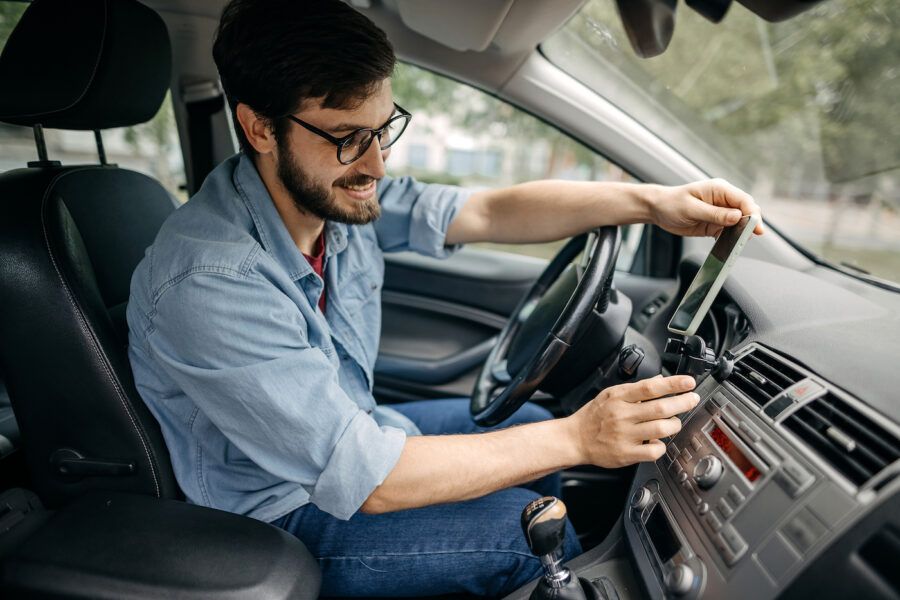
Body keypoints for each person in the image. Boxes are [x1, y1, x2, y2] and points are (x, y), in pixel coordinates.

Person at [126, 0, 764, 595]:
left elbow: (486, 211)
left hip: (357, 433)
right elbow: (367, 477)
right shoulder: (211, 280)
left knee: (532, 435)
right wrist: (583, 436)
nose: (375, 165)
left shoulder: (334, 199)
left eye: (385, 129)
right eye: (349, 137)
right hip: (281, 513)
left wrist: (653, 202)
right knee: (529, 534)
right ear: (259, 127)